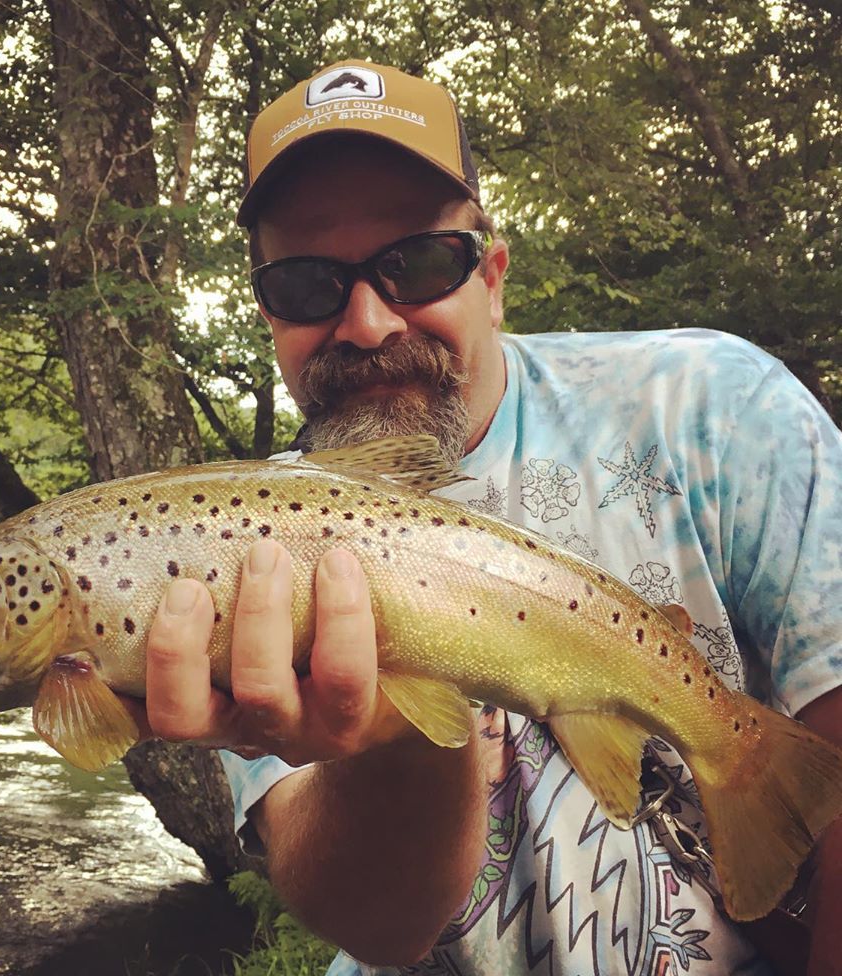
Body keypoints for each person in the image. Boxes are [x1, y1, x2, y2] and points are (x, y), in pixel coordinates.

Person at [128, 61, 842, 975]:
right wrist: (392, 742)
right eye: (308, 283)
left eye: (418, 263)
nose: (369, 322)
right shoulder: (235, 537)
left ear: (493, 277)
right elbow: (379, 930)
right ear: (268, 310)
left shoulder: (709, 408)